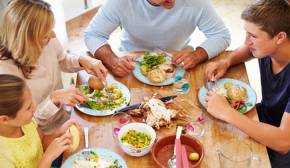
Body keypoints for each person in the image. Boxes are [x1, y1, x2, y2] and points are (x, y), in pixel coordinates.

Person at [204, 0, 290, 167]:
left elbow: (284, 142)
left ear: (280, 37)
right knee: (214, 133)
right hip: (267, 116)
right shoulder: (277, 46)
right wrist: (226, 62)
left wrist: (227, 112)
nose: (247, 41)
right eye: (247, 33)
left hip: (289, 140)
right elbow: (248, 50)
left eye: (253, 36)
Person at [0, 0, 107, 132]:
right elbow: (23, 125)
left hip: (66, 118)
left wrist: (82, 60)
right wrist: (52, 100)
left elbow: (62, 60)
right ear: (26, 40)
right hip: (41, 135)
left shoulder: (47, 40)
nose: (53, 35)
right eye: (45, 35)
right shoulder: (4, 75)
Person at [84, 0, 231, 77]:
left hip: (178, 57)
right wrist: (113, 61)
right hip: (131, 60)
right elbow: (93, 34)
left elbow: (221, 35)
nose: (172, 1)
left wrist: (197, 55)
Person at [0, 74, 78, 168]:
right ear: (4, 119)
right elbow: (48, 155)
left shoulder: (27, 123)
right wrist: (49, 156)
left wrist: (59, 132)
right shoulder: (3, 157)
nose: (35, 106)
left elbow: (41, 142)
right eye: (28, 107)